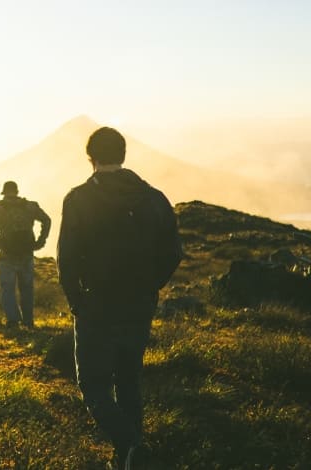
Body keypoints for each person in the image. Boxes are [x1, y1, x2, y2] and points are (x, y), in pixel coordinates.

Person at [57, 127, 182, 469]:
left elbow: (66, 258)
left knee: (93, 385)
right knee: (128, 379)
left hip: (95, 304)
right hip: (138, 305)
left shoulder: (79, 199)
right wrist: (150, 286)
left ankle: (128, 444)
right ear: (123, 155)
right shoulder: (154, 198)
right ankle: (130, 454)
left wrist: (76, 301)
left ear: (91, 157)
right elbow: (173, 251)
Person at [0, 181, 51, 329]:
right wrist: (41, 241)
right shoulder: (30, 206)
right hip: (27, 253)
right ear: (17, 191)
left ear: (4, 192)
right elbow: (47, 220)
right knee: (27, 289)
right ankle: (28, 321)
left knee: (7, 288)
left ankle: (13, 321)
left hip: (7, 254)